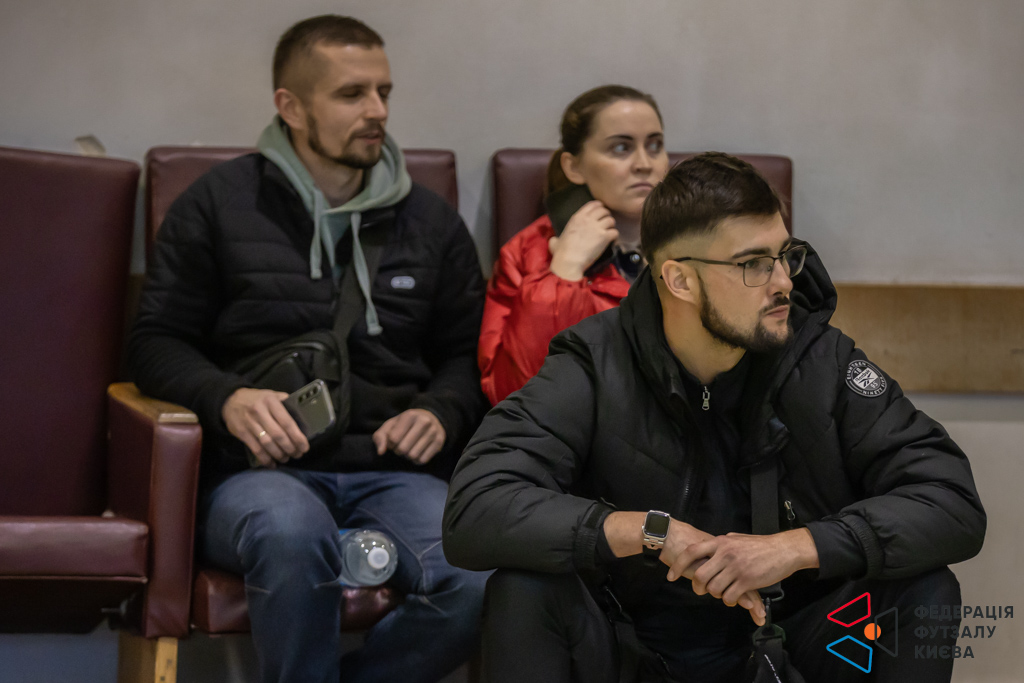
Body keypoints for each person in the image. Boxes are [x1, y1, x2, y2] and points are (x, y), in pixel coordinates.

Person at [443, 153, 986, 682]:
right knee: (524, 588)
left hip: (786, 646)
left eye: (786, 255)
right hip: (632, 650)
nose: (783, 281)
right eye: (753, 264)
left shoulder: (820, 359)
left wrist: (794, 548)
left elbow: (951, 500)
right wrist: (650, 532)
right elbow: (476, 507)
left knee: (923, 588)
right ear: (680, 280)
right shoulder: (593, 362)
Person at [129, 15, 489, 683]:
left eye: (383, 92)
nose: (378, 111)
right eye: (352, 94)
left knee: (478, 573)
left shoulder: (432, 221)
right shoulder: (217, 204)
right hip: (256, 473)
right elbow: (154, 343)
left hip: (395, 471)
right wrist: (226, 398)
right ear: (290, 107)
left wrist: (441, 408)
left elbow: (469, 356)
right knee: (293, 535)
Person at [479, 85, 670, 404]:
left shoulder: (698, 238)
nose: (644, 163)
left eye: (655, 145)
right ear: (574, 167)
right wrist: (564, 271)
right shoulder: (527, 253)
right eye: (621, 148)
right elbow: (512, 394)